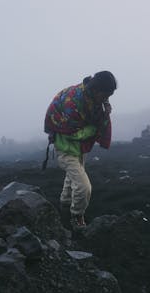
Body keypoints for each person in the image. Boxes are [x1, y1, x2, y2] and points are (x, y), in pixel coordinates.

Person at [44, 71, 117, 229]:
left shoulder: (92, 99)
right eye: (105, 95)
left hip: (78, 147)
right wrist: (94, 128)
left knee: (73, 178)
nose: (106, 99)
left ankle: (64, 206)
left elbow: (92, 119)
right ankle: (77, 217)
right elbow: (74, 131)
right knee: (84, 187)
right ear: (97, 90)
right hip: (65, 147)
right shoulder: (74, 102)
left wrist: (104, 112)